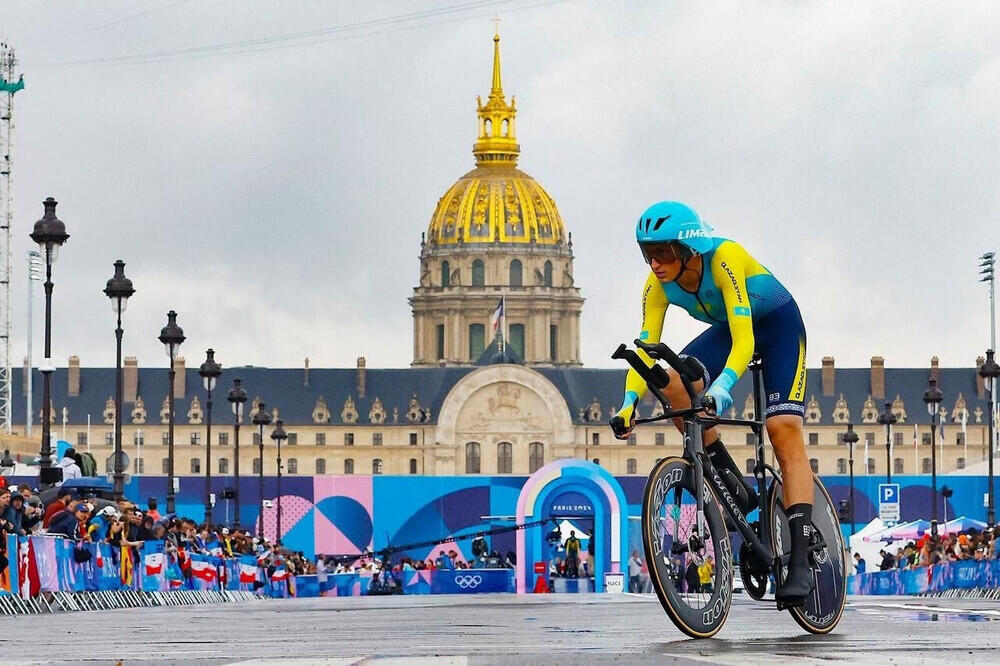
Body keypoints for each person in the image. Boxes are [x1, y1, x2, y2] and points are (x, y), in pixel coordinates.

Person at [610, 201, 815, 606]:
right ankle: (731, 480)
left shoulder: (724, 259)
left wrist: (721, 387)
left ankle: (801, 558)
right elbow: (647, 349)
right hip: (730, 332)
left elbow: (745, 340)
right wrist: (628, 403)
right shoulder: (656, 285)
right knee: (671, 382)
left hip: (777, 328)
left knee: (781, 430)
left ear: (690, 250)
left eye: (663, 252)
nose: (655, 263)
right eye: (648, 253)